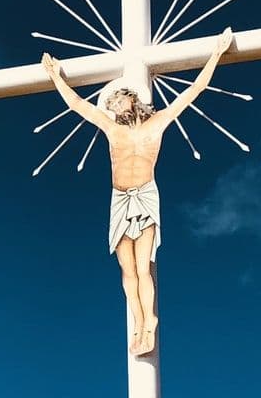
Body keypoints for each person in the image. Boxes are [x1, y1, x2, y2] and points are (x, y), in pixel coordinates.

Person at [41, 27, 235, 355]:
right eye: (110, 102)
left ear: (132, 98)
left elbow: (193, 92)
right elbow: (76, 105)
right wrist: (55, 76)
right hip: (119, 199)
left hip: (144, 194)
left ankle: (150, 322)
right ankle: (138, 322)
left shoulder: (157, 122)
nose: (113, 104)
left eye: (118, 98)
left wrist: (215, 53)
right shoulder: (110, 128)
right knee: (126, 270)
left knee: (143, 266)